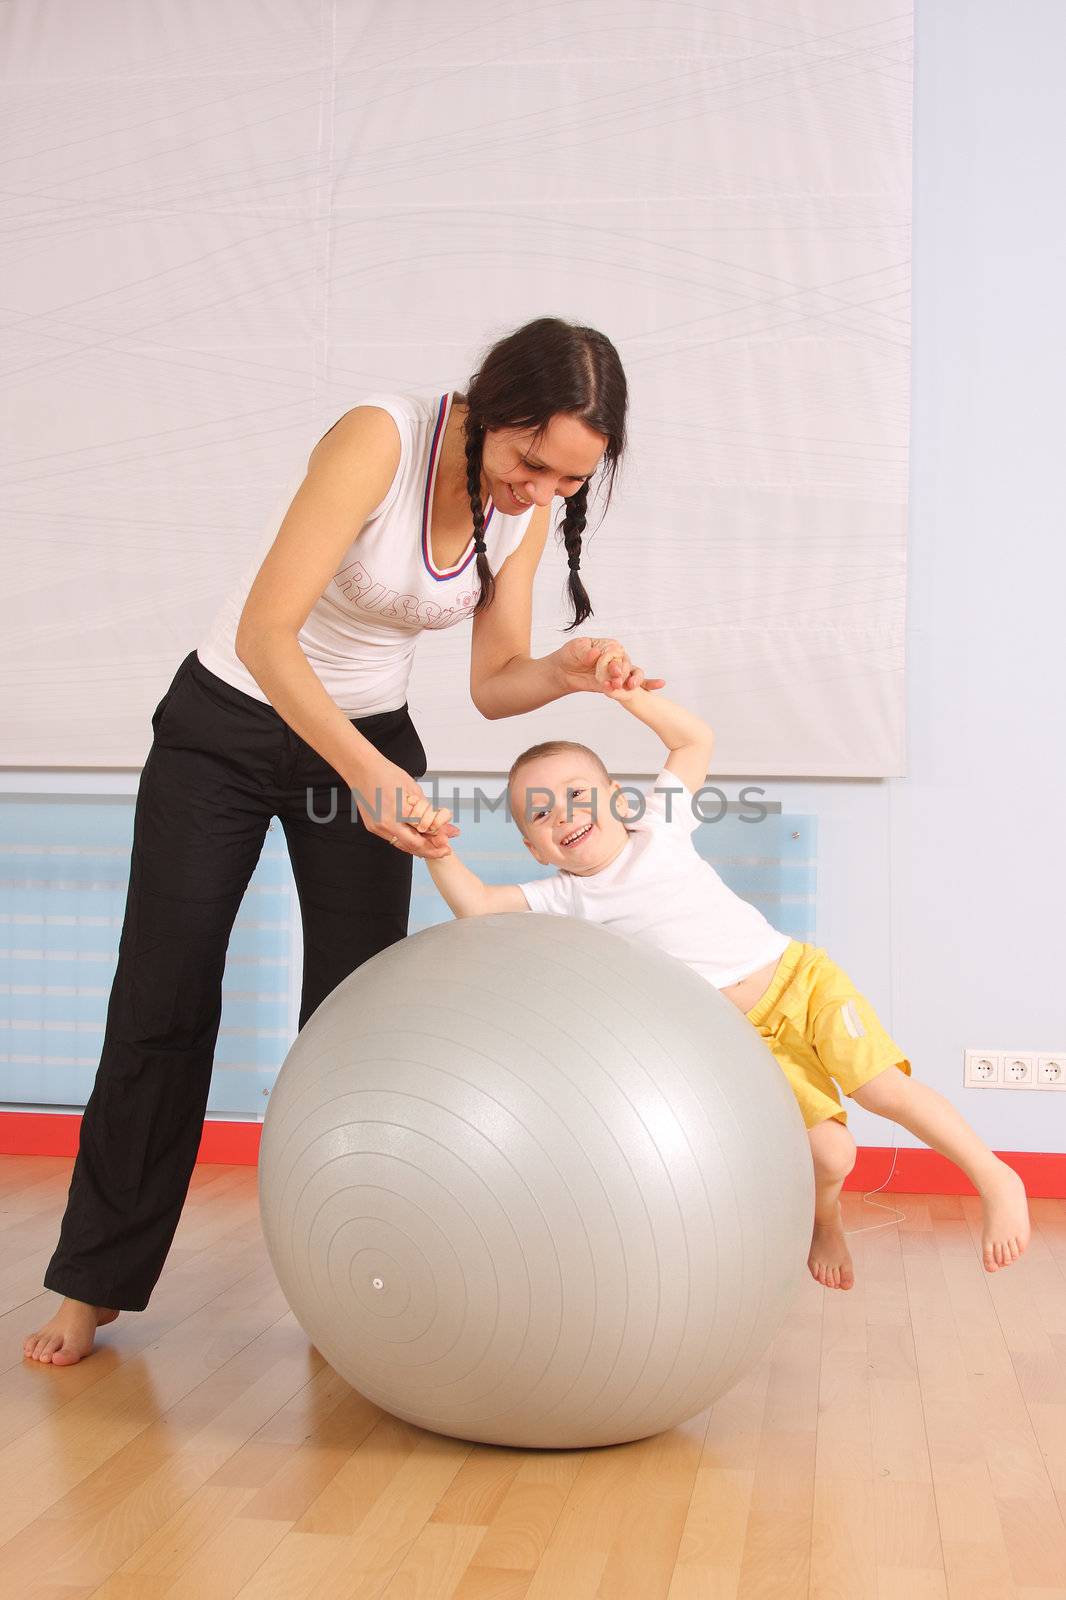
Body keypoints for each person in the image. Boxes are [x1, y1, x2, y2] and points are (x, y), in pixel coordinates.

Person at [24, 317, 665, 1366]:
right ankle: (90, 1287)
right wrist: (365, 775)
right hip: (225, 725)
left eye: (566, 481)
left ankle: (354, 1283)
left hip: (367, 734)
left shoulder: (527, 509)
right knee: (164, 998)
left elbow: (495, 679)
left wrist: (568, 672)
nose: (539, 491)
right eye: (530, 463)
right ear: (488, 412)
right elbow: (263, 633)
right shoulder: (380, 436)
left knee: (358, 1018)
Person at [421, 664, 1032, 1290]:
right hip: (740, 1038)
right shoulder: (564, 897)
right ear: (534, 848)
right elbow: (478, 906)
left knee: (882, 1092)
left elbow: (694, 742)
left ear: (617, 799)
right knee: (832, 1154)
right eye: (541, 813)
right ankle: (824, 1219)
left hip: (802, 983)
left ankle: (992, 1176)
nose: (565, 815)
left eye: (578, 794)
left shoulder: (659, 829)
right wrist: (438, 851)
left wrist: (626, 696)